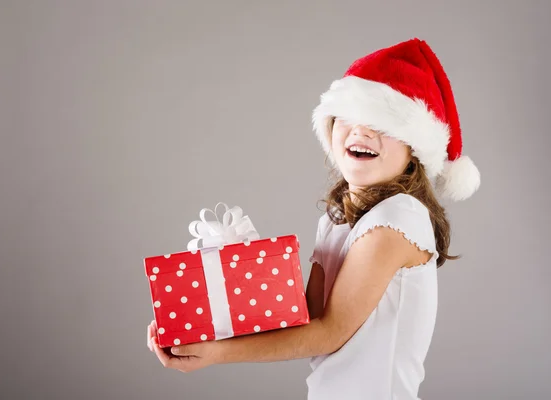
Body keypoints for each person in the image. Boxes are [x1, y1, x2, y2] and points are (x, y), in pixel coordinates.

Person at [147, 37, 480, 399]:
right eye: (349, 118)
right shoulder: (339, 221)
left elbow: (328, 332)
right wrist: (211, 319)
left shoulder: (397, 219)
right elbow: (304, 320)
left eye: (382, 124)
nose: (361, 131)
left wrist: (217, 354)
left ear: (414, 150)